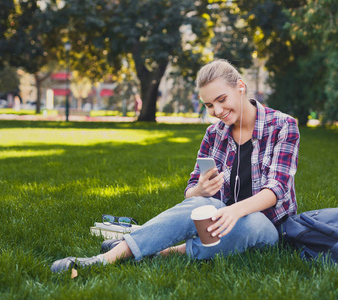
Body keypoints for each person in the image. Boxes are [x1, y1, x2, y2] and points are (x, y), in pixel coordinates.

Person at [51, 59, 300, 277]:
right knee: (202, 204)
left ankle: (164, 251)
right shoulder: (214, 134)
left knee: (252, 223)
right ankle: (106, 259)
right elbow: (189, 195)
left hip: (268, 227)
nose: (218, 111)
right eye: (209, 105)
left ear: (240, 87)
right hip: (218, 222)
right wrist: (201, 189)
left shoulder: (282, 126)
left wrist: (234, 212)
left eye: (222, 100)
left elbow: (276, 189)